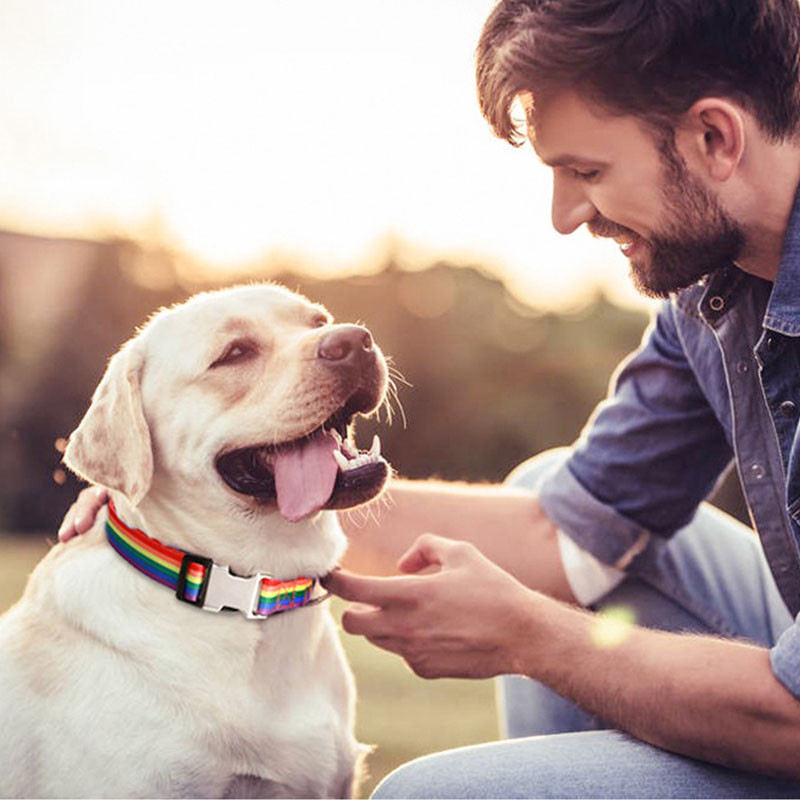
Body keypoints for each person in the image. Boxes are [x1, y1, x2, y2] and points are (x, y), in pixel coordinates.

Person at [59, 0, 800, 796]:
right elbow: (568, 530)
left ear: (714, 137)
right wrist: (192, 497)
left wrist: (531, 637)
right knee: (548, 488)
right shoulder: (710, 298)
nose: (564, 216)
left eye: (587, 172)